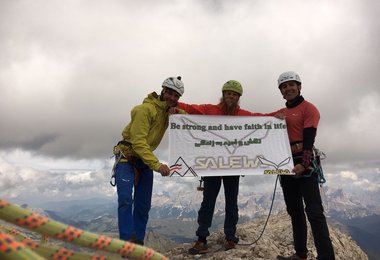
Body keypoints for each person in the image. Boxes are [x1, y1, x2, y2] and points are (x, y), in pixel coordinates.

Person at [178, 80, 273, 254]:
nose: (231, 96)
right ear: (223, 94)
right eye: (228, 93)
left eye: (235, 94)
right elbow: (190, 108)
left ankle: (230, 237)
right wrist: (173, 105)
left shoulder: (242, 114)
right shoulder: (209, 110)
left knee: (232, 203)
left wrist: (277, 116)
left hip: (232, 166)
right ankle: (201, 238)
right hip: (213, 166)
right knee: (208, 202)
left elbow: (260, 118)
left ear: (238, 98)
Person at [112, 76, 185, 245]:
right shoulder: (144, 110)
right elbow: (138, 142)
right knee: (125, 199)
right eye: (171, 94)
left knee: (143, 206)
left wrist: (178, 115)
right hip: (127, 157)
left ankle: (138, 243)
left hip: (145, 161)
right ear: (163, 91)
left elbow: (189, 120)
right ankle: (126, 243)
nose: (173, 98)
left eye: (177, 96)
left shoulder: (169, 112)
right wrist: (157, 165)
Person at [275, 71, 335, 260]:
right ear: (281, 92)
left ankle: (326, 257)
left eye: (292, 85)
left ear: (299, 87)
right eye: (284, 86)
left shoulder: (309, 108)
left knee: (314, 212)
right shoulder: (280, 114)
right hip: (286, 163)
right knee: (295, 211)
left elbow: (309, 137)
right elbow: (255, 120)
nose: (288, 88)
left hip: (305, 161)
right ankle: (300, 254)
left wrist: (305, 163)